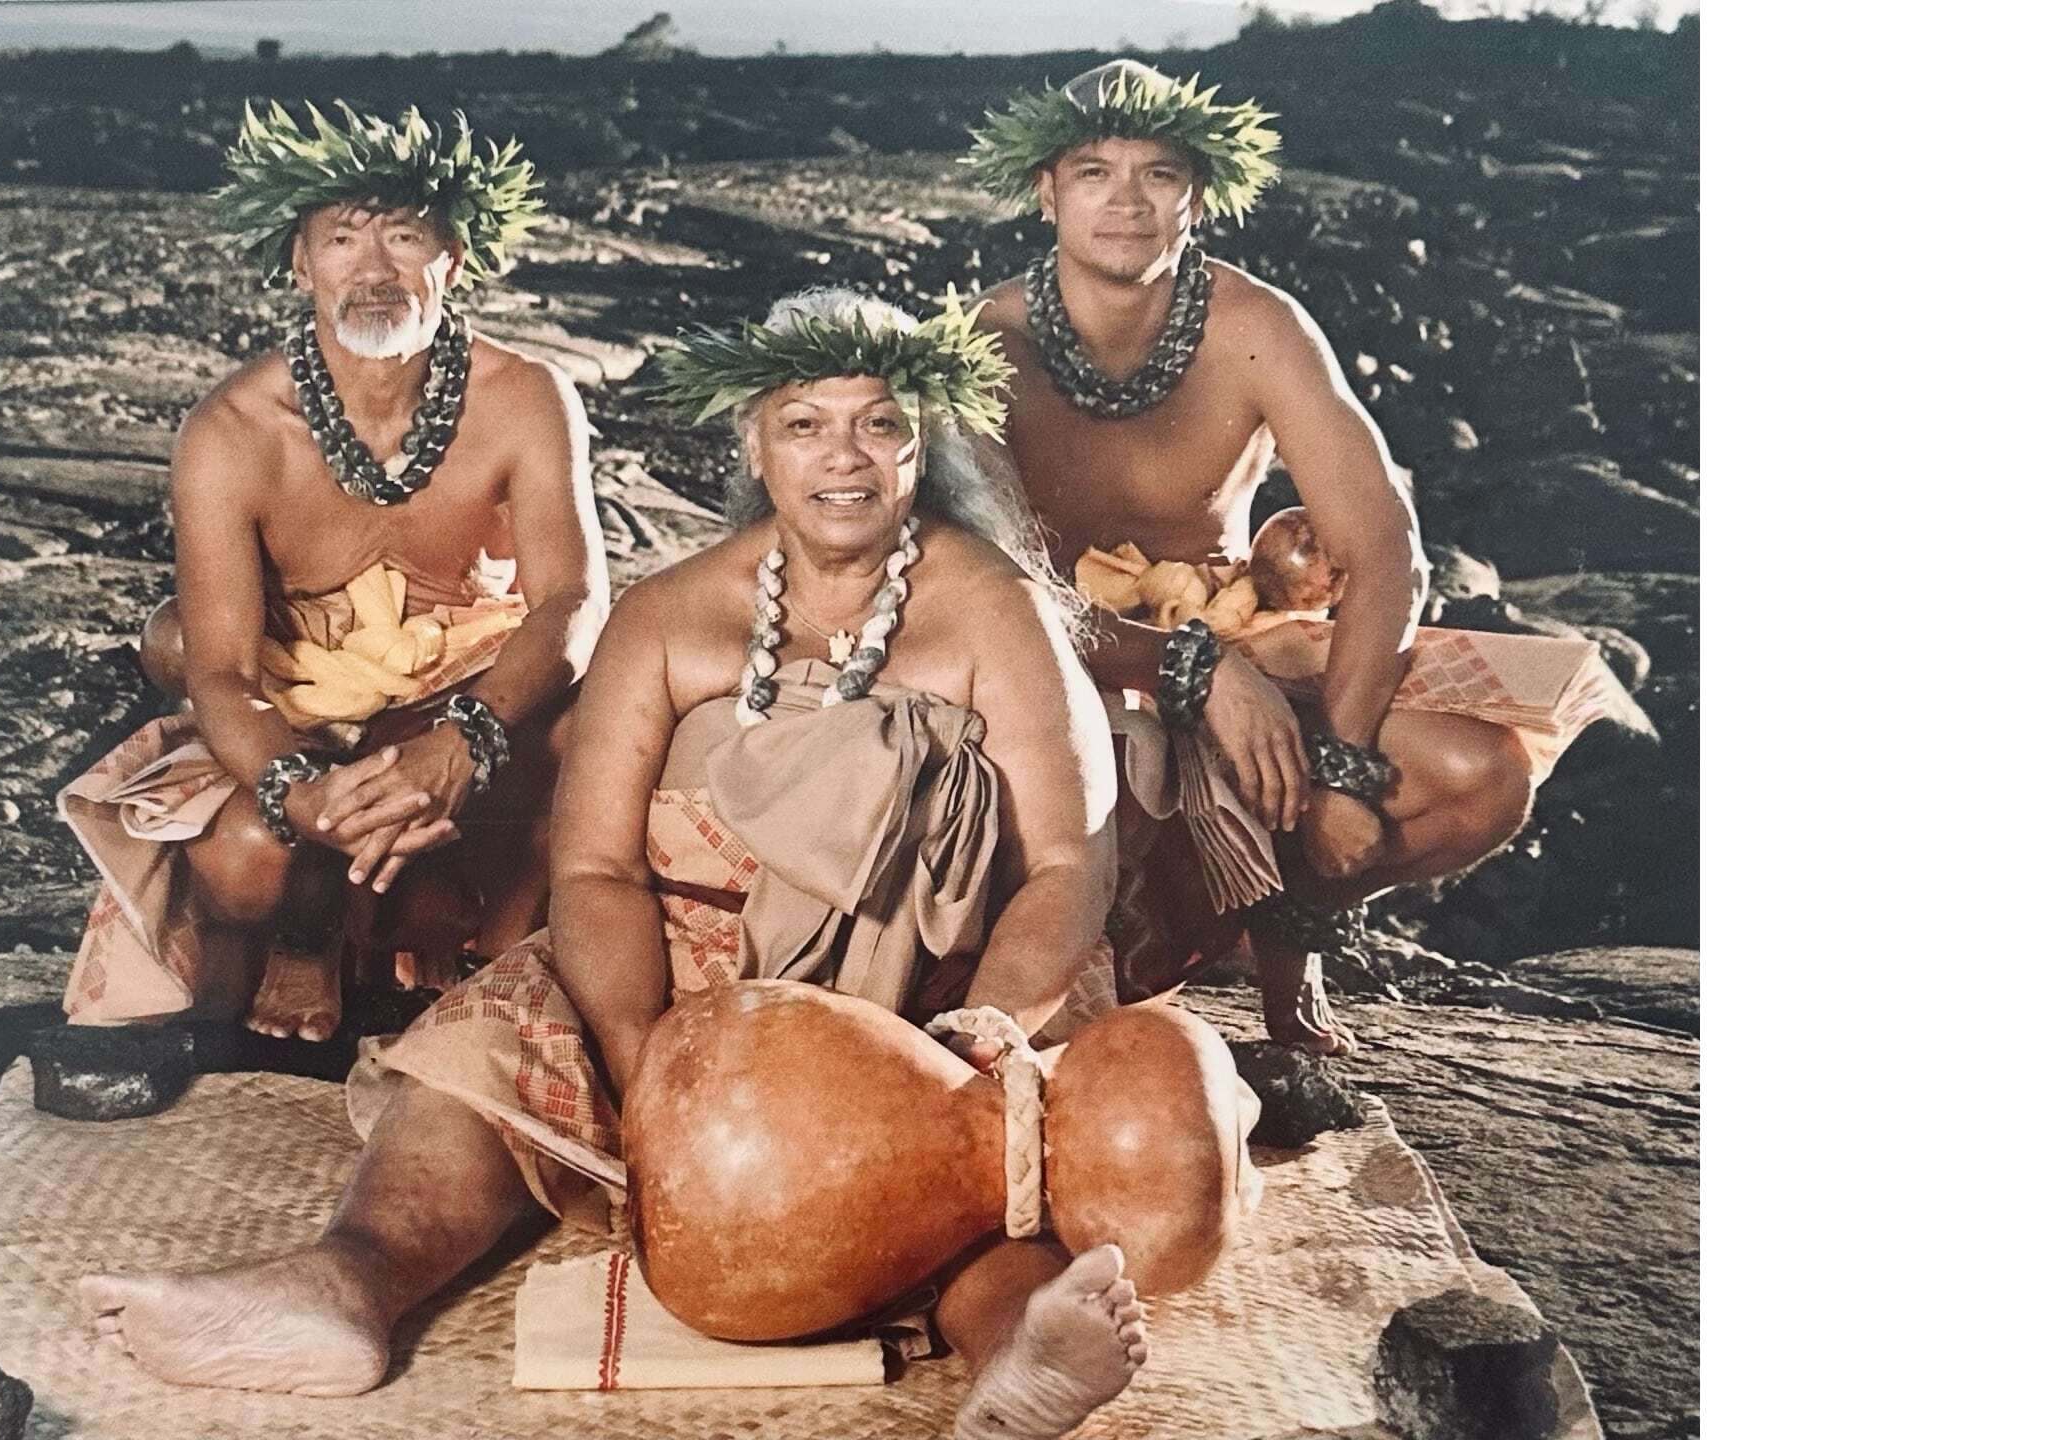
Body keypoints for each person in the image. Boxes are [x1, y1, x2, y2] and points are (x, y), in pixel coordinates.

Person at [78, 289, 1261, 1440]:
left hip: (944, 983)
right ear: (756, 438)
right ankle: (347, 1284)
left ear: (923, 441)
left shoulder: (997, 609)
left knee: (975, 1162)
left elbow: (1066, 866)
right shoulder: (668, 615)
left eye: (879, 424)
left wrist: (963, 1056)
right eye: (805, 424)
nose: (842, 459)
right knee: (483, 1054)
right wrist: (649, 1058)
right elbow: (594, 873)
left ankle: (1018, 1350)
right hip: (688, 979)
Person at [967, 61, 1619, 1055]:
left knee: (1483, 776)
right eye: (1094, 172)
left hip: (1248, 677)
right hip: (1057, 681)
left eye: (1159, 174)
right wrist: (1191, 670)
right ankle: (1125, 938)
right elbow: (990, 600)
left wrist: (1349, 771)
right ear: (1047, 191)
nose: (1127, 200)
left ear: (1199, 197)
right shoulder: (983, 343)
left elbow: (1385, 548)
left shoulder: (1256, 327)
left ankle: (1286, 919)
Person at [55, 102, 609, 1041]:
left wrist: (464, 742)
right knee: (241, 858)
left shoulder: (525, 397)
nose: (374, 268)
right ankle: (274, 959)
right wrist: (301, 793)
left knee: (592, 772)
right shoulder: (232, 430)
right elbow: (223, 670)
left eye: (405, 236)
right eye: (343, 238)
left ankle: (479, 998)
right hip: (298, 702)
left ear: (454, 262)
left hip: (468, 690)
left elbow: (571, 599)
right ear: (302, 264)